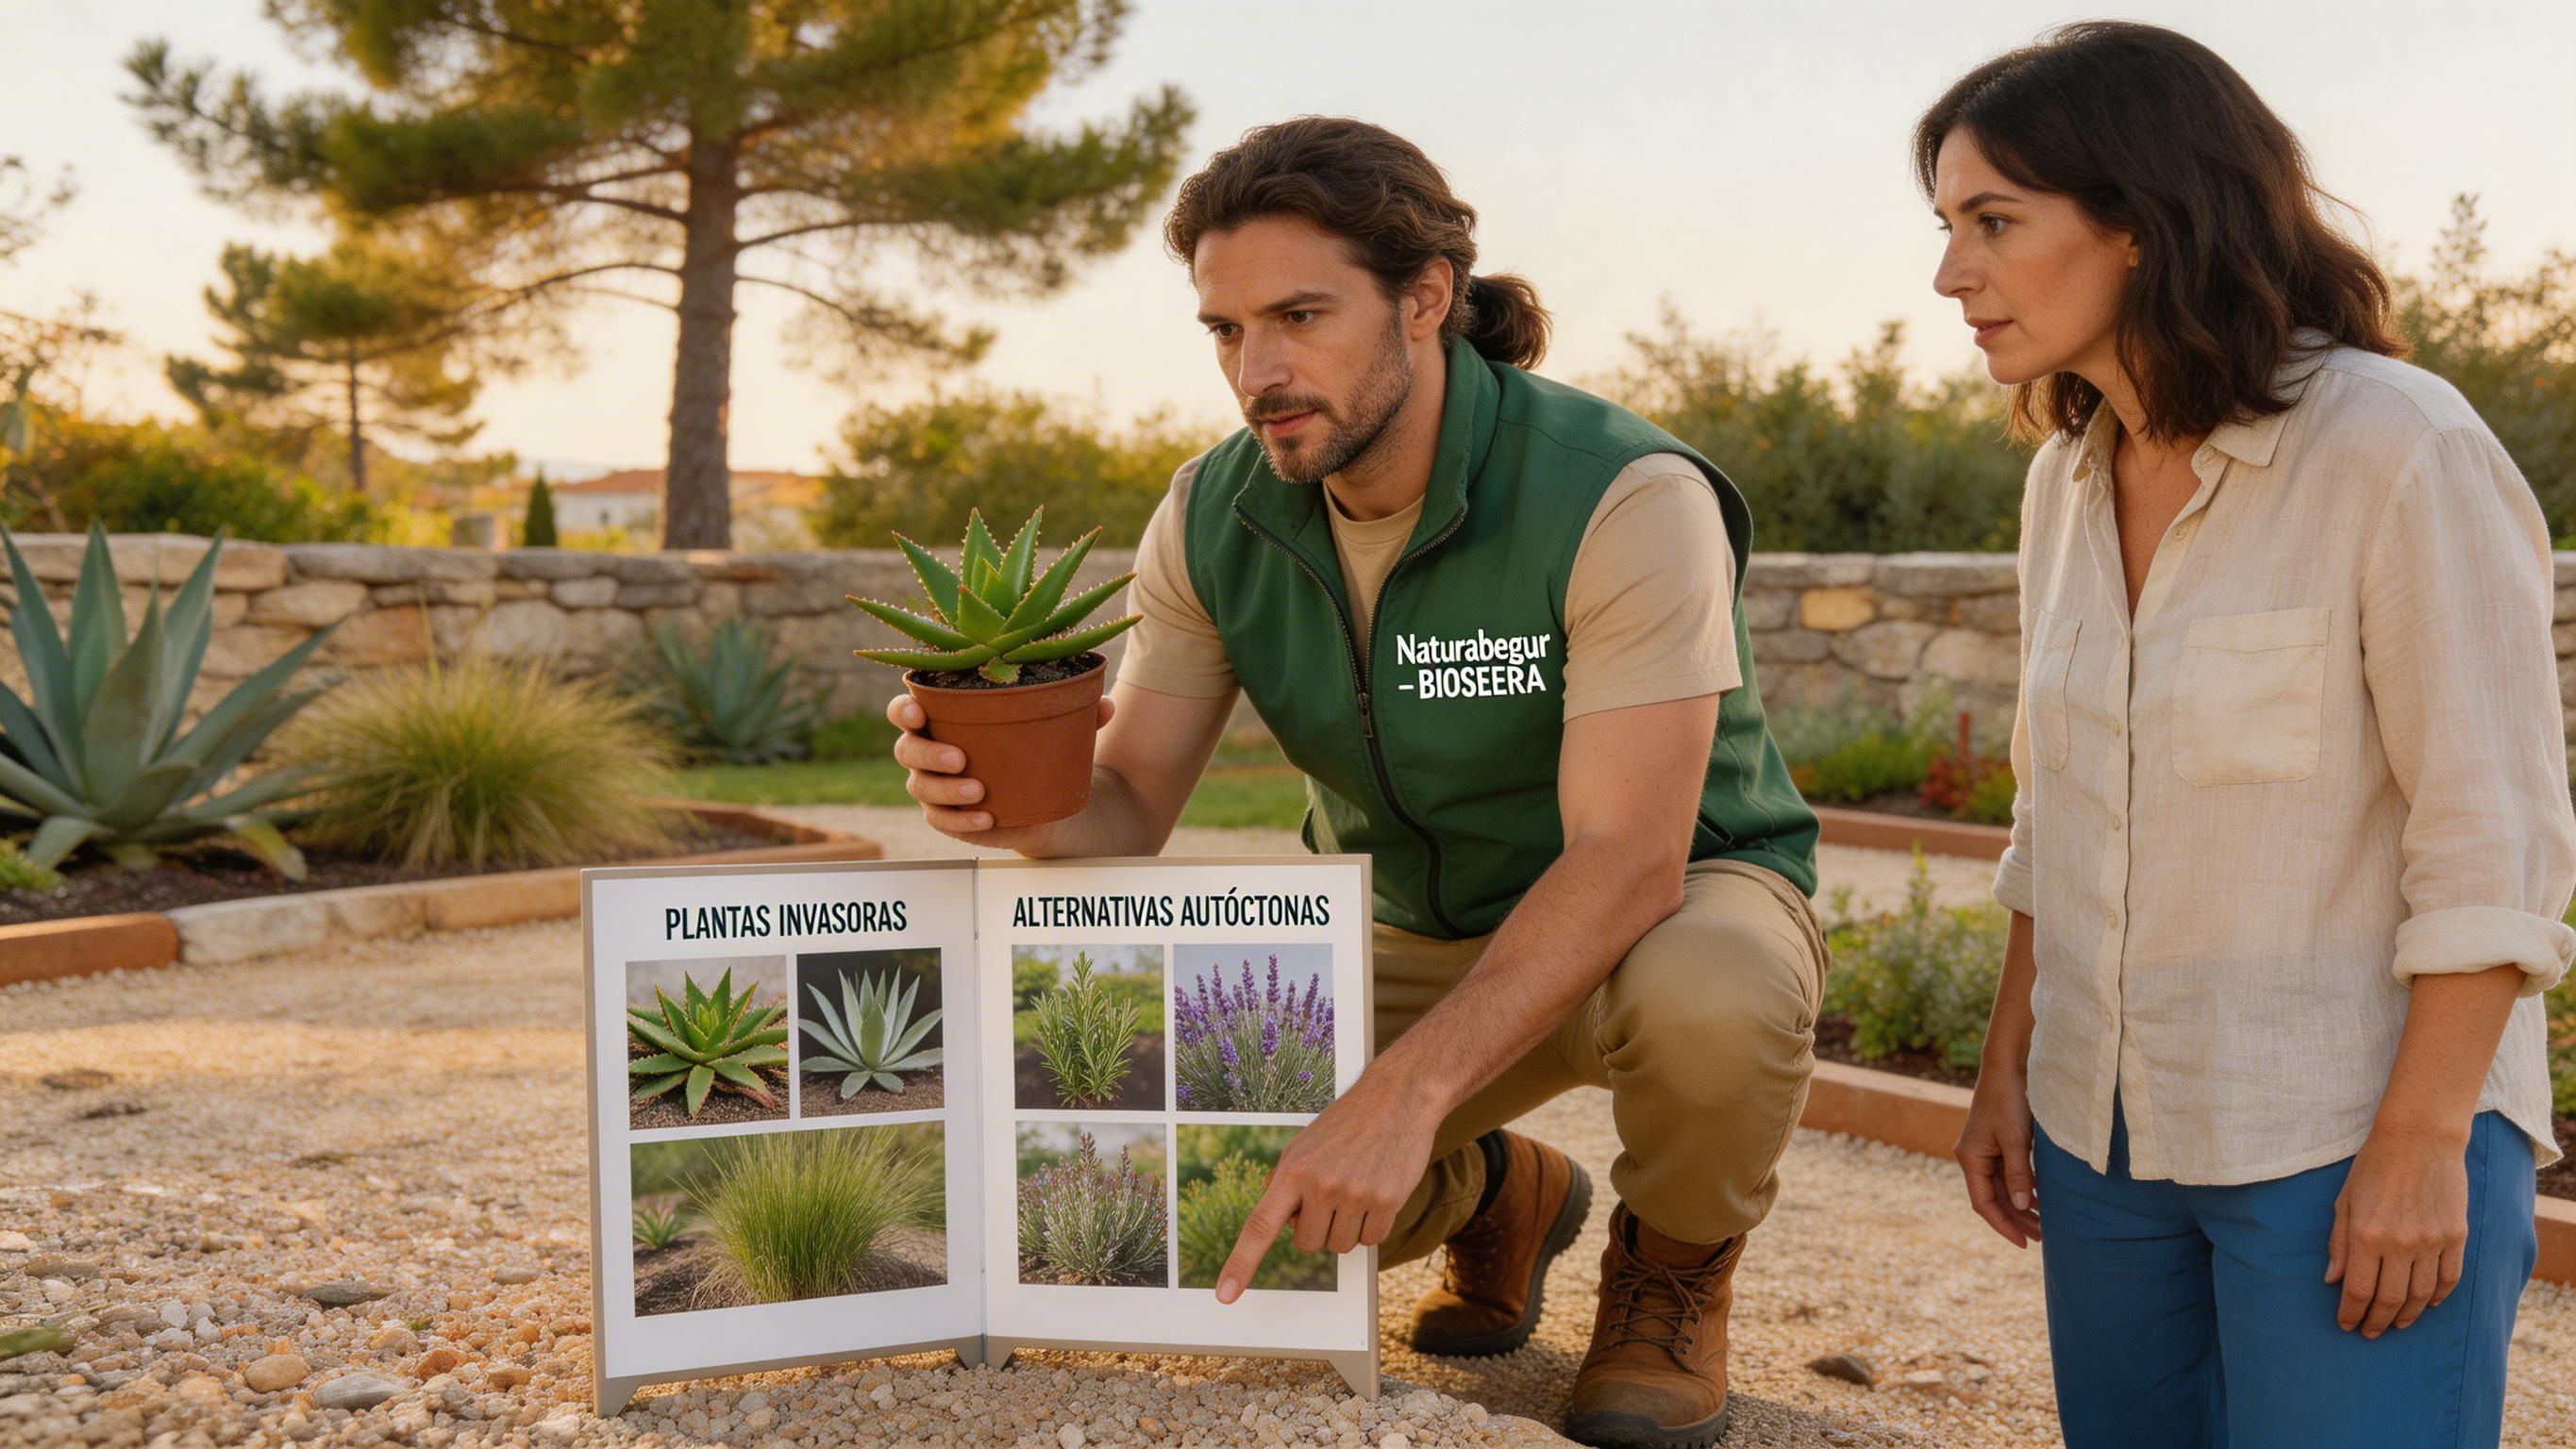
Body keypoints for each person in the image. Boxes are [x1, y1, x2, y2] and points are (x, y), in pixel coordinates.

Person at [886, 115, 1827, 1448]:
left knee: (1715, 992)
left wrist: (1395, 1097)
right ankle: (1498, 1192)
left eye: (1300, 315)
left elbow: (1628, 857)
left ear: (1426, 298)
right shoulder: (1215, 514)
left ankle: (1666, 1286)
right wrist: (1005, 801)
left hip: (1658, 910)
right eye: (1223, 330)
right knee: (1190, 1215)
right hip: (1399, 931)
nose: (1256, 370)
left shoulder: (1620, 493)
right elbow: (1127, 809)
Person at [1926, 23, 2575, 1449]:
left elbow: (2495, 834)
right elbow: (2061, 815)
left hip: (2346, 1129)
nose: (1948, 273)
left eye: (1992, 222)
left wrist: (2418, 1150)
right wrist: (2006, 1070)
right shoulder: (2064, 482)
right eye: (1944, 226)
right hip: (2103, 1141)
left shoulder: (2400, 449)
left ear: (2141, 219)